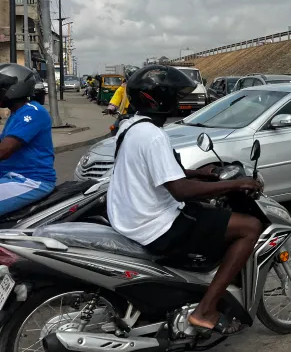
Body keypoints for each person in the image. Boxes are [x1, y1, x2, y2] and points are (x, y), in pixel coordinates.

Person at [107, 65, 264, 335]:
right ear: (158, 98)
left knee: (206, 213)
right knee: (249, 227)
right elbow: (180, 190)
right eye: (175, 95)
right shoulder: (153, 135)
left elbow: (157, 170)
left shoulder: (131, 126)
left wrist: (201, 174)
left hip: (129, 217)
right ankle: (205, 310)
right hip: (155, 225)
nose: (179, 101)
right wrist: (236, 183)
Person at [0, 64, 56, 217]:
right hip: (11, 177)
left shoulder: (33, 112)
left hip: (31, 180)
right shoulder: (16, 114)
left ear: (15, 88)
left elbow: (4, 151)